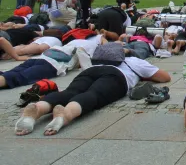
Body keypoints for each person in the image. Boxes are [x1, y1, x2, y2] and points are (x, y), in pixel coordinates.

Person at [14, 52, 171, 136]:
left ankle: (38, 109)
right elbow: (165, 77)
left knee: (70, 92)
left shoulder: (101, 59)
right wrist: (142, 75)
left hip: (90, 70)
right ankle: (66, 114)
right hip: (115, 76)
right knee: (95, 94)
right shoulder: (135, 61)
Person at [0, 34, 105, 89]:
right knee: (20, 77)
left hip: (39, 58)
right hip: (51, 65)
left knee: (11, 73)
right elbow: (86, 66)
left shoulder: (68, 45)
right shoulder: (84, 48)